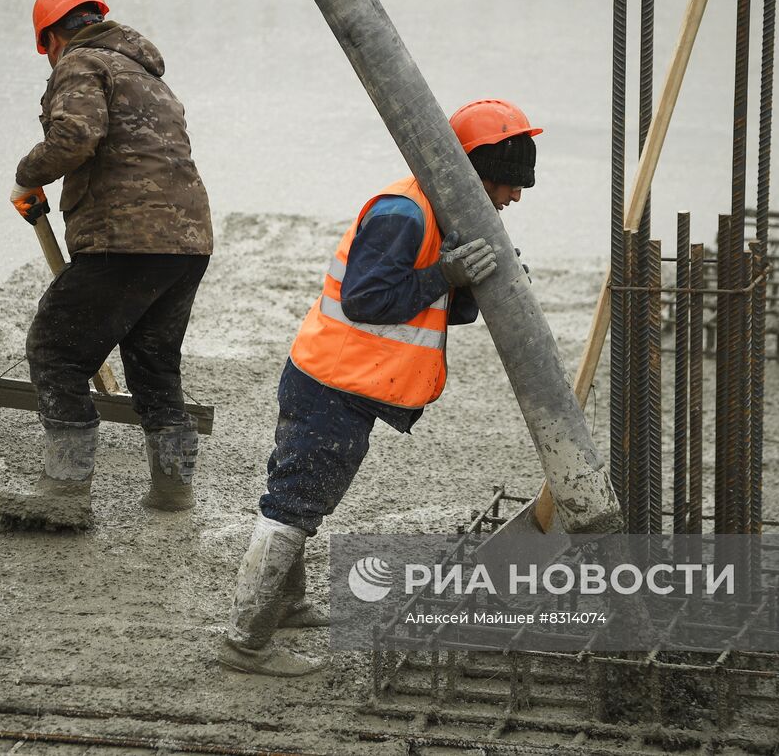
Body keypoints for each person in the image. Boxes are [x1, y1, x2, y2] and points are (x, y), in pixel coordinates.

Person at [217, 99, 543, 677]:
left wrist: (473, 282)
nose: (514, 197)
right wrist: (447, 273)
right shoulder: (405, 214)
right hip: (332, 387)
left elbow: (434, 309)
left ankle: (286, 606)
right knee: (294, 505)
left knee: (297, 491)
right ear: (472, 171)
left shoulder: (440, 215)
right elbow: (366, 300)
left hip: (340, 382)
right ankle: (246, 643)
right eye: (507, 183)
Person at [0, 0, 214, 530]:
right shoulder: (146, 75)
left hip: (125, 238)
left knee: (55, 348)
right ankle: (173, 490)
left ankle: (65, 490)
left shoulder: (81, 63)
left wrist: (26, 177)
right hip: (186, 243)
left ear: (51, 40)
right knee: (154, 362)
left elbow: (74, 137)